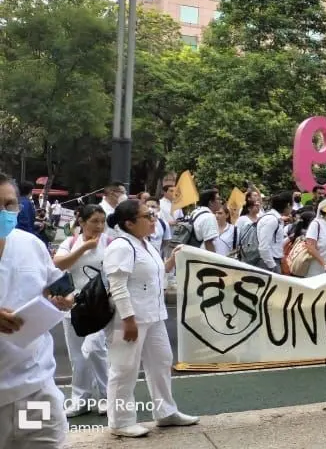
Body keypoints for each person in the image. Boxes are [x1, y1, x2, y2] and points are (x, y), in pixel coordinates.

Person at [103, 199, 199, 437]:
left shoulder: (145, 244)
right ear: (130, 223)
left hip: (153, 315)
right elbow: (118, 285)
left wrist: (172, 261)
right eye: (148, 216)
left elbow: (153, 274)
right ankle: (120, 421)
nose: (154, 220)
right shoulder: (122, 246)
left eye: (153, 215)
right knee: (124, 368)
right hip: (129, 318)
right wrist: (128, 319)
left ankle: (165, 411)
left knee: (162, 361)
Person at [0, 172, 76, 448]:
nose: (5, 213)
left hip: (33, 393)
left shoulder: (29, 244)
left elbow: (59, 283)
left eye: (10, 205)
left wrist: (64, 298)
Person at [51, 205, 111, 417]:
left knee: (95, 348)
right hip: (74, 306)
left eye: (102, 221)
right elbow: (59, 264)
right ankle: (80, 400)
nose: (99, 226)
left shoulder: (110, 243)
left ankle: (107, 396)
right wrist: (84, 248)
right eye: (94, 221)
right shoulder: (71, 242)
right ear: (82, 222)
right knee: (77, 356)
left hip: (101, 307)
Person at [258, 192, 293, 273]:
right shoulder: (271, 220)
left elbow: (276, 243)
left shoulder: (276, 219)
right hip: (268, 262)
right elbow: (263, 247)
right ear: (288, 205)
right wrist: (272, 266)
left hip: (273, 260)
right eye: (292, 205)